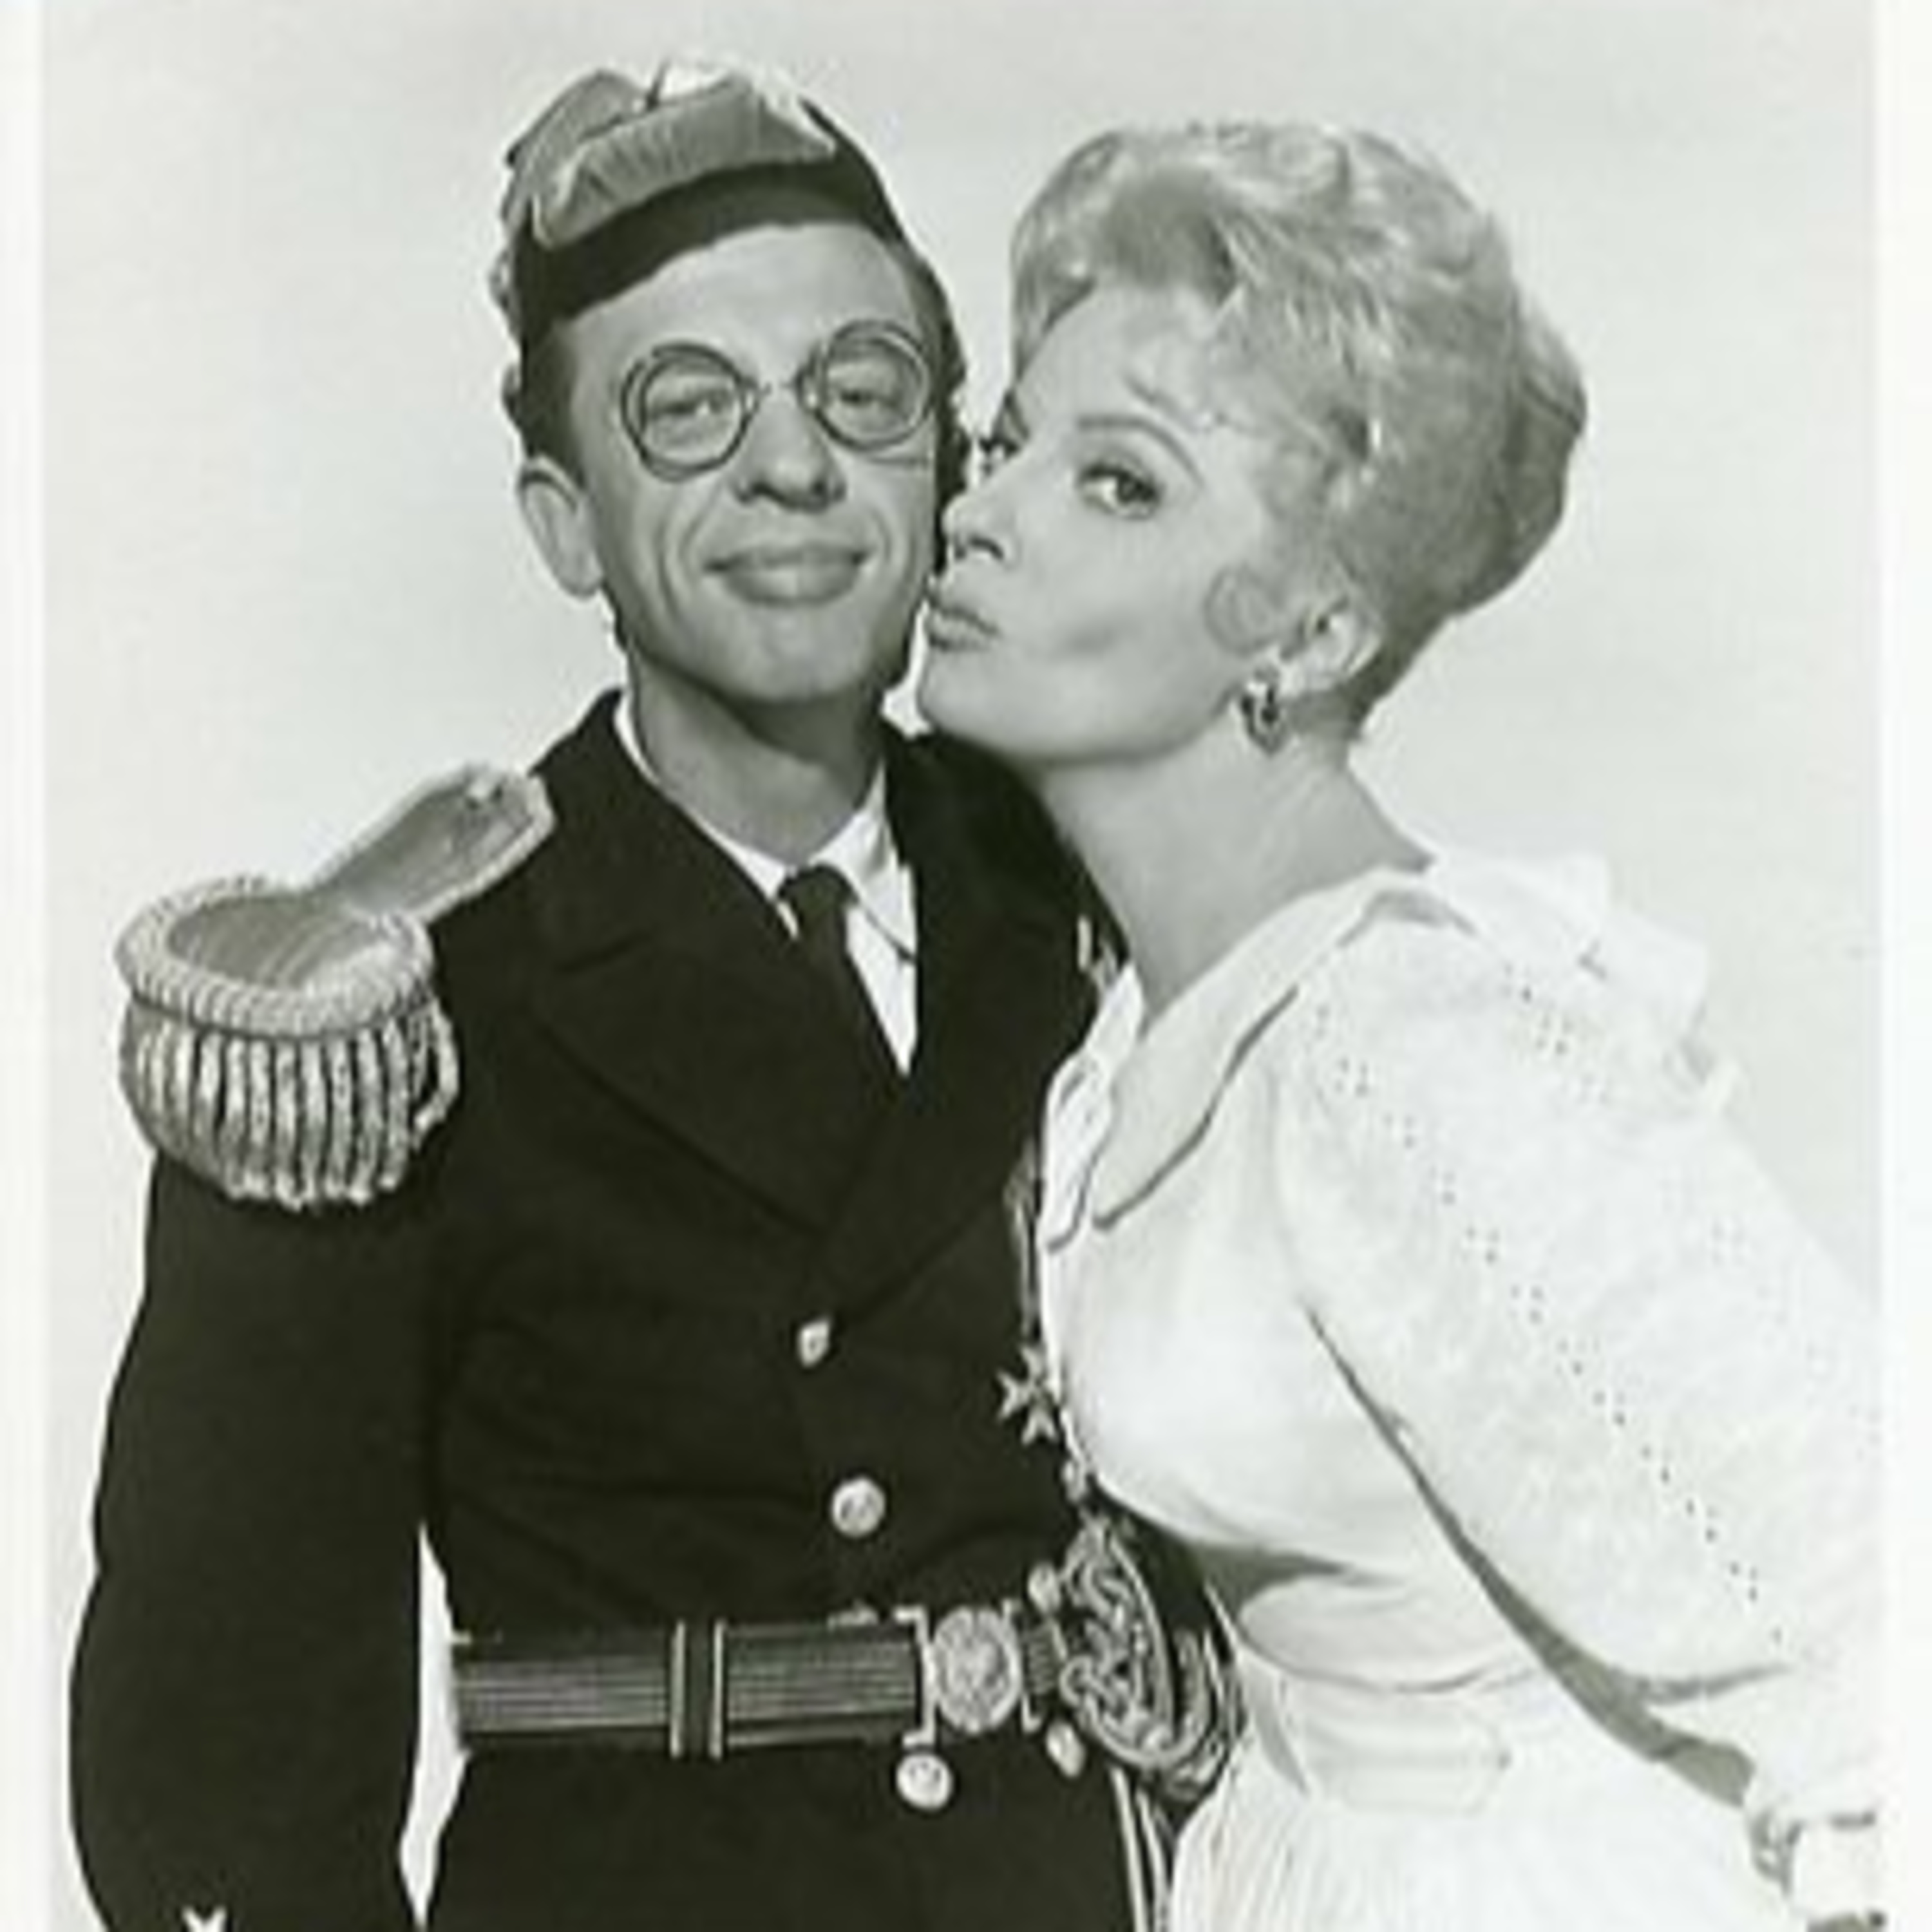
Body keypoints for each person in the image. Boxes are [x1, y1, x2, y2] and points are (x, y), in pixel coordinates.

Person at [71, 57, 1216, 1932]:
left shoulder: (1090, 887)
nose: (795, 466)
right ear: (565, 523)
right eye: (688, 410)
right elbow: (224, 1777)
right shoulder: (393, 1012)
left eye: (863, 390)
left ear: (947, 456)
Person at [920, 120, 1879, 1932]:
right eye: (1010, 444)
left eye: (1118, 483)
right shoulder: (1146, 1036)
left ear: (1312, 630)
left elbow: (1874, 1600)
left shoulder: (1417, 1045)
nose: (983, 513)